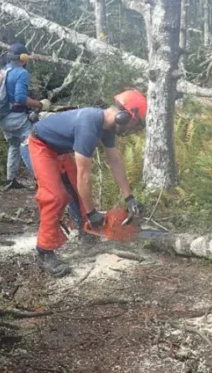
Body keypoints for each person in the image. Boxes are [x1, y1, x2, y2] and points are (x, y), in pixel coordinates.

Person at [27, 90, 147, 277]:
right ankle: (44, 251)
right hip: (41, 145)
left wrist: (129, 198)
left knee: (77, 192)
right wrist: (92, 213)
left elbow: (115, 161)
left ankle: (85, 231)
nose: (131, 128)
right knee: (55, 197)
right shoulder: (89, 125)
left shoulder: (107, 128)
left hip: (59, 149)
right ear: (124, 117)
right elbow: (84, 175)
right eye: (133, 123)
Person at [0, 43, 51, 191]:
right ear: (23, 57)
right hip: (15, 117)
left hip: (2, 117)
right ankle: (42, 180)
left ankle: (10, 179)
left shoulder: (3, 71)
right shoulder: (21, 72)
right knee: (29, 144)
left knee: (14, 145)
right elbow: (20, 97)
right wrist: (40, 105)